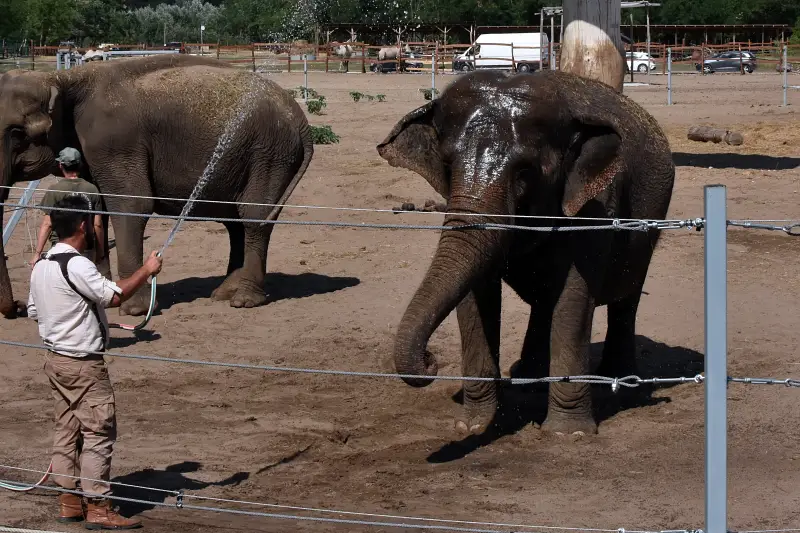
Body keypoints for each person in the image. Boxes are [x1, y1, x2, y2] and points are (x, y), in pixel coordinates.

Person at [27, 194, 163, 529]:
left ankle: (69, 502)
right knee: (99, 430)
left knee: (67, 428)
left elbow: (34, 311)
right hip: (84, 365)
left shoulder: (41, 266)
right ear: (83, 225)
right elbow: (114, 296)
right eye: (92, 222)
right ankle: (99, 507)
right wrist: (146, 270)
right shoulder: (78, 265)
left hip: (55, 361)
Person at [30, 147, 106, 268]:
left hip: (60, 245)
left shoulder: (54, 190)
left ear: (60, 165)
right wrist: (100, 252)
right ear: (80, 164)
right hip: (85, 246)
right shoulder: (92, 189)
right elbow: (98, 225)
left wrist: (37, 253)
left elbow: (47, 224)